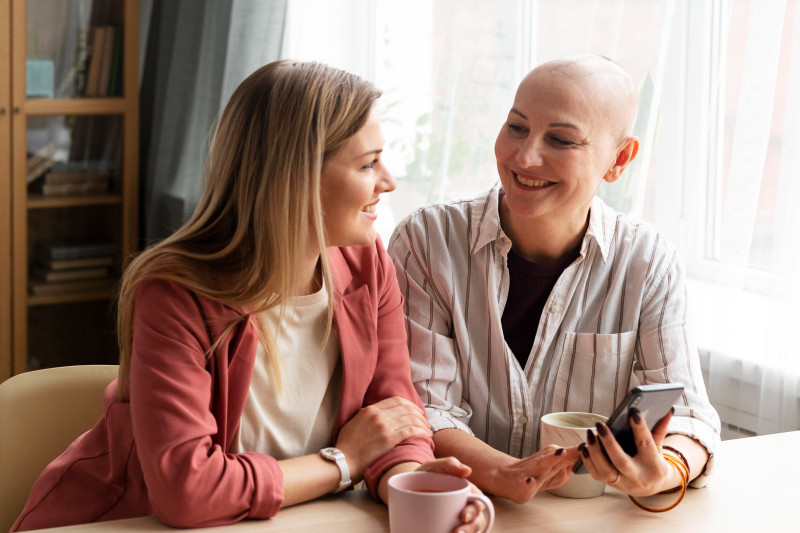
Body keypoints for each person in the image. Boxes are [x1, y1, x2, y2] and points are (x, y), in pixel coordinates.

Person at [12, 60, 487, 532]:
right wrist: (343, 462)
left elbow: (393, 418)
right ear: (296, 177)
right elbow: (187, 493)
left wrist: (414, 486)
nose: (388, 181)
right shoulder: (175, 294)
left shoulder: (367, 265)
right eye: (368, 163)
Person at [387, 54, 721, 505]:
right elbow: (423, 408)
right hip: (465, 509)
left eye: (561, 140)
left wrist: (663, 472)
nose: (524, 157)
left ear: (619, 159)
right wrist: (507, 473)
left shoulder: (649, 260)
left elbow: (691, 418)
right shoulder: (426, 241)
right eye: (516, 128)